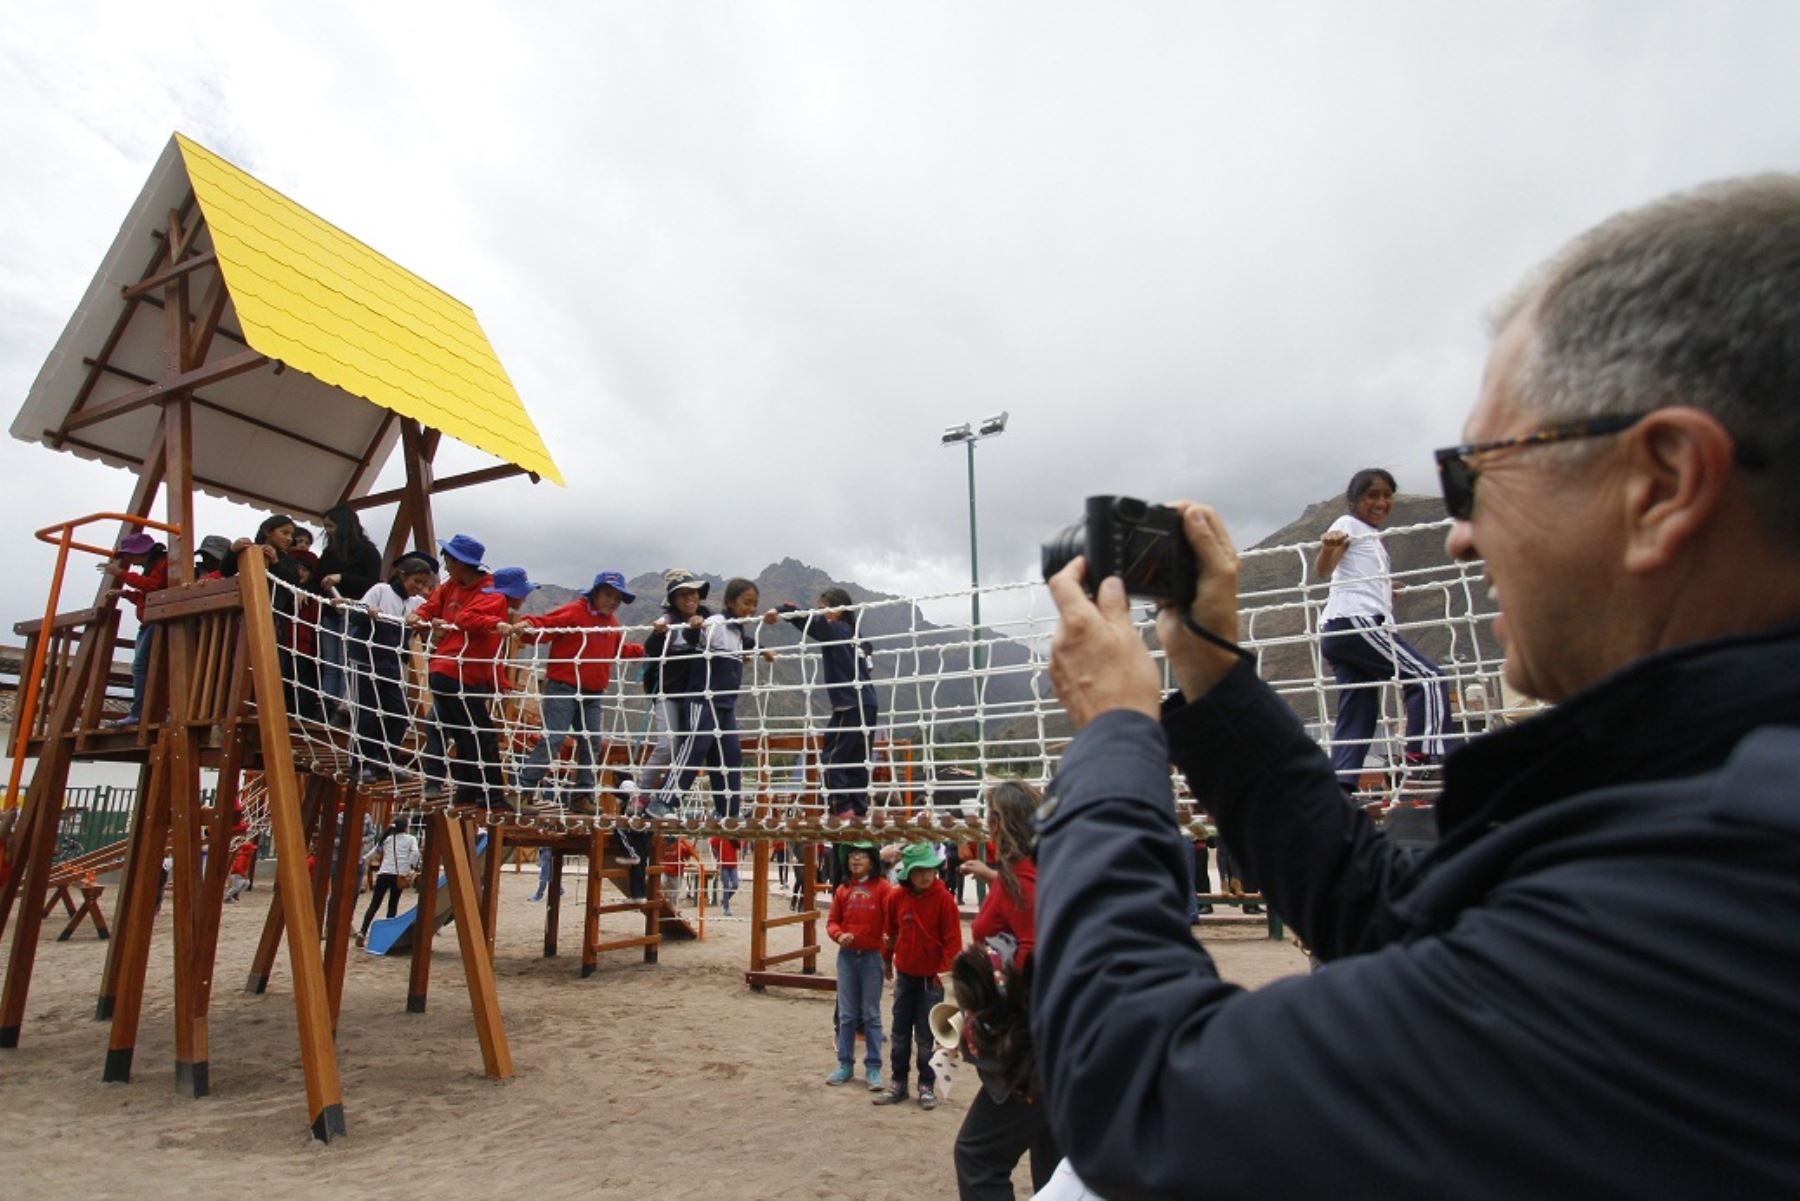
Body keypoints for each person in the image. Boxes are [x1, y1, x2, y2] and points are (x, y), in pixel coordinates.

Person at [1032, 176, 1800, 1197]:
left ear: (1660, 484)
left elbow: (1148, 1097)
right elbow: (1396, 913)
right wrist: (1209, 674)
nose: (1459, 530)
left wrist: (1115, 737)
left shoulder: (1730, 884)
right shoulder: (1700, 805)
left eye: (1480, 471)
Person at [1314, 467, 1450, 790]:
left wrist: (1386, 586)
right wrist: (1329, 547)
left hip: (1338, 630)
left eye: (1387, 495)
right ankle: (1426, 760)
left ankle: (1341, 787)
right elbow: (1324, 570)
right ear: (1353, 500)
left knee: (1359, 710)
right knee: (1428, 678)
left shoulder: (1372, 538)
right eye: (1372, 495)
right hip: (1355, 623)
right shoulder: (1347, 525)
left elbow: (1352, 575)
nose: (1381, 502)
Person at [954, 780, 1056, 1197]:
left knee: (977, 1155)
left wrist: (991, 996)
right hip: (1056, 1040)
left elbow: (1035, 956)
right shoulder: (1038, 869)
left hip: (1031, 1046)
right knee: (1052, 1162)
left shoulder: (1023, 879)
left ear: (1000, 822)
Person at [513, 570, 646, 814]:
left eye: (618, 598)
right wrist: (528, 625)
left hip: (592, 694)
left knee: (592, 741)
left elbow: (616, 650)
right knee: (554, 738)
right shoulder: (574, 612)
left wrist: (642, 651)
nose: (613, 601)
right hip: (563, 687)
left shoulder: (612, 625)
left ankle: (582, 797)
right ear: (595, 593)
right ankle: (522, 790)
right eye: (608, 595)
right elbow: (546, 625)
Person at [408, 536, 516, 811]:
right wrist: (421, 616)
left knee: (461, 731)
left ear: (461, 563)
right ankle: (488, 796)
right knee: (480, 735)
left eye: (448, 560)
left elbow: (474, 627)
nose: (445, 566)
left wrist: (443, 622)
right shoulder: (453, 587)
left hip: (457, 671)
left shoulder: (489, 590)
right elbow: (438, 609)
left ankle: (466, 792)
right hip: (454, 671)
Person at [765, 589, 880, 819]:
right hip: (867, 702)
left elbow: (811, 622)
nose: (820, 611)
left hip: (849, 703)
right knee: (857, 759)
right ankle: (858, 809)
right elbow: (867, 654)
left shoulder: (836, 630)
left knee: (831, 757)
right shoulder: (856, 637)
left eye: (823, 606)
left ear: (837, 610)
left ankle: (841, 808)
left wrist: (781, 610)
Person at [669, 578, 771, 818]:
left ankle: (728, 812)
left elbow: (746, 642)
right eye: (746, 602)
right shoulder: (715, 623)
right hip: (703, 700)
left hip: (725, 706)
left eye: (754, 604)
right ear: (729, 602)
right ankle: (665, 801)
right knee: (695, 747)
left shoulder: (737, 631)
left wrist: (761, 649)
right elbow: (693, 639)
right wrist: (695, 626)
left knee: (730, 755)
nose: (751, 609)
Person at [875, 842, 961, 1111]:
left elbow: (953, 943)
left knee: (926, 1036)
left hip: (931, 980)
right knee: (899, 1033)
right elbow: (889, 932)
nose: (926, 875)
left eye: (929, 870)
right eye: (919, 870)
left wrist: (942, 973)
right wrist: (887, 961)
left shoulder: (944, 900)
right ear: (908, 873)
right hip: (906, 975)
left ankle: (926, 1086)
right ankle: (898, 1083)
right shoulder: (896, 897)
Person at [346, 551, 438, 783]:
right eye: (416, 581)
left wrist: (434, 622)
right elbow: (356, 616)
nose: (419, 587)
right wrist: (368, 613)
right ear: (402, 575)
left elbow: (430, 618)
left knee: (398, 715)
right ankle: (360, 763)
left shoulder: (417, 603)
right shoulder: (381, 591)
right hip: (366, 659)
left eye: (424, 584)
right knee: (367, 714)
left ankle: (383, 761)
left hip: (392, 664)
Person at [639, 569, 710, 801]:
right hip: (669, 693)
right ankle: (641, 793)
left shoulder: (709, 619)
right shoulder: (667, 623)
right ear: (673, 600)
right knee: (667, 745)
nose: (690, 599)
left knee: (686, 749)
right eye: (682, 595)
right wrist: (659, 633)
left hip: (696, 695)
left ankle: (664, 798)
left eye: (693, 593)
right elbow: (651, 648)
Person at [825, 841, 889, 1090]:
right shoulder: (843, 890)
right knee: (847, 1014)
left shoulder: (883, 888)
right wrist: (839, 935)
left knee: (872, 1015)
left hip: (872, 957)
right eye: (852, 856)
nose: (855, 860)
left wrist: (887, 953)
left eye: (861, 855)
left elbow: (889, 922)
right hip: (848, 957)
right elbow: (832, 922)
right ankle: (845, 1064)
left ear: (872, 861)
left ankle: (873, 1068)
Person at [314, 504, 384, 716]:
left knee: (347, 662)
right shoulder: (328, 553)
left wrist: (342, 578)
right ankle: (328, 706)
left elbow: (372, 583)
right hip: (330, 613)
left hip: (353, 614)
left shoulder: (367, 551)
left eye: (331, 526)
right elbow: (317, 580)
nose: (327, 531)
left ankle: (345, 708)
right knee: (330, 663)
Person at [99, 532, 168, 727]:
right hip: (149, 620)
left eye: (131, 557)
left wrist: (120, 574)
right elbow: (148, 594)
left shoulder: (163, 564)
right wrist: (126, 594)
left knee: (141, 666)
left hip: (156, 620)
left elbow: (153, 587)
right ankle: (144, 711)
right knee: (143, 667)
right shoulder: (155, 566)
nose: (131, 562)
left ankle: (139, 713)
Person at [356, 818, 421, 947]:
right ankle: (386, 935)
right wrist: (410, 866)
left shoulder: (388, 839)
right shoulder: (410, 839)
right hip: (399, 875)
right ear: (405, 827)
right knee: (393, 904)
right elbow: (415, 853)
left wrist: (363, 860)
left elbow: (374, 852)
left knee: (374, 904)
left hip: (384, 873)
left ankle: (363, 931)